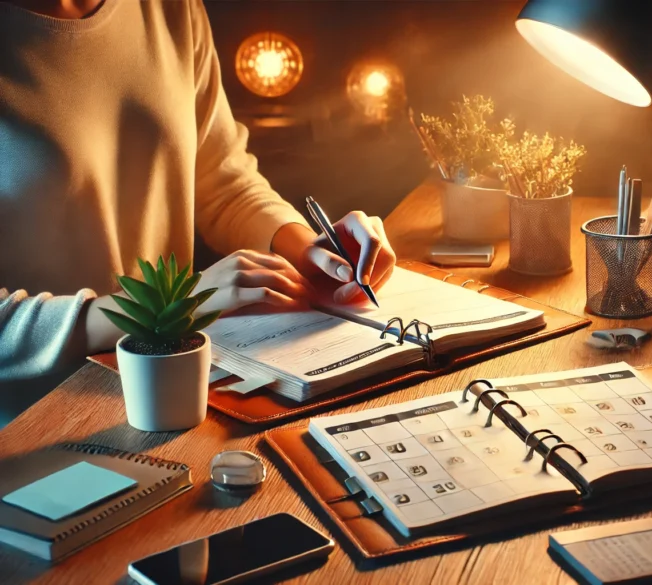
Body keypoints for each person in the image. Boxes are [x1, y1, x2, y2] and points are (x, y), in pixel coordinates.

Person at [0, 0, 397, 425]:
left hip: (175, 392)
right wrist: (172, 305)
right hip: (33, 423)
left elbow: (223, 182)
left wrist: (311, 252)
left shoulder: (171, 9)